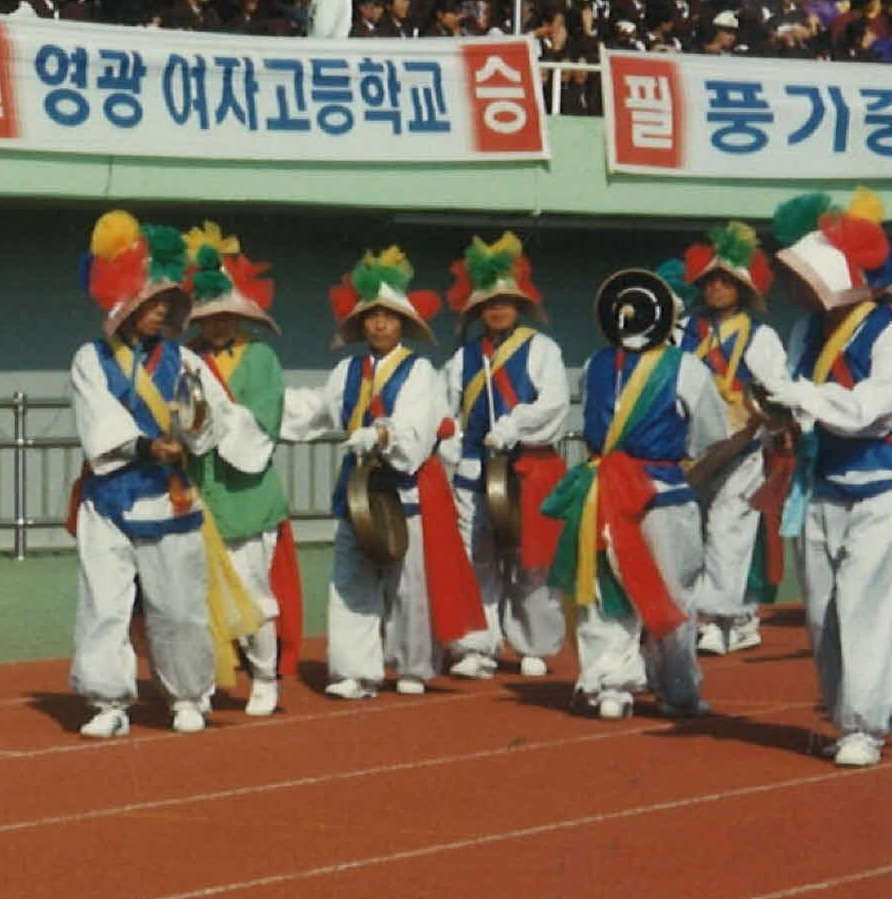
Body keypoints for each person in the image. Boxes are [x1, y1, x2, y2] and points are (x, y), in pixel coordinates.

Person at [68, 210, 256, 739]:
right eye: (150, 302)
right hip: (109, 498)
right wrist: (147, 444)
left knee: (179, 606)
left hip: (169, 496)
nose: (158, 312)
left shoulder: (186, 362)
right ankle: (108, 700)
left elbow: (213, 421)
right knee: (104, 604)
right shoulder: (90, 359)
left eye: (165, 304)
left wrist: (193, 430)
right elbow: (99, 419)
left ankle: (189, 694)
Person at [283, 248, 482, 698]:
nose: (378, 325)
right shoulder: (345, 370)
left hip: (403, 490)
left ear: (403, 324)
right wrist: (266, 402)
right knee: (350, 580)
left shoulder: (420, 371)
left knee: (409, 584)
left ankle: (413, 664)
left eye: (388, 317)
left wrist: (381, 434)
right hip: (356, 491)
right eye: (371, 317)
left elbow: (417, 426)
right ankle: (353, 671)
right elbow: (316, 412)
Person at [543, 269, 729, 720]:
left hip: (604, 490)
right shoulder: (687, 368)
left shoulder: (594, 365)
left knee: (604, 587)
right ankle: (676, 689)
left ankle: (611, 686)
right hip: (661, 492)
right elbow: (710, 434)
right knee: (669, 591)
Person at [754, 190, 892, 769]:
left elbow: (871, 409)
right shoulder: (806, 332)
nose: (794, 288)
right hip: (818, 484)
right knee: (822, 610)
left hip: (879, 485)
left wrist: (798, 396)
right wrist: (776, 413)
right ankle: (848, 714)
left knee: (864, 606)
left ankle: (864, 726)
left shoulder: (885, 330)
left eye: (803, 277)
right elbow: (793, 399)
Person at [181, 225, 299, 717]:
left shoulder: (262, 358)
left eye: (224, 316)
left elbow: (263, 421)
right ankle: (205, 679)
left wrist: (216, 419)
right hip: (198, 487)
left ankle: (265, 676)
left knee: (252, 590)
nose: (216, 326)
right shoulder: (187, 358)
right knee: (198, 592)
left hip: (246, 491)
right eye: (208, 318)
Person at [440, 233, 570, 681]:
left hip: (528, 468)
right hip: (474, 469)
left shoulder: (542, 349)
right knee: (475, 557)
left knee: (530, 558)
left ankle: (533, 643)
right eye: (488, 303)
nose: (497, 310)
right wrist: (452, 446)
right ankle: (478, 643)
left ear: (519, 305)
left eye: (505, 302)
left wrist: (515, 426)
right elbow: (447, 411)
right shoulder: (462, 358)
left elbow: (554, 404)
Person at [674, 223, 789, 657]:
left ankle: (717, 620)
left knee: (728, 531)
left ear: (742, 287)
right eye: (711, 281)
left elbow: (774, 392)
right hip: (690, 448)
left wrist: (759, 425)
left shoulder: (761, 335)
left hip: (741, 447)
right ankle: (739, 617)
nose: (717, 288)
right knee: (692, 532)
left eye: (726, 281)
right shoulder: (685, 329)